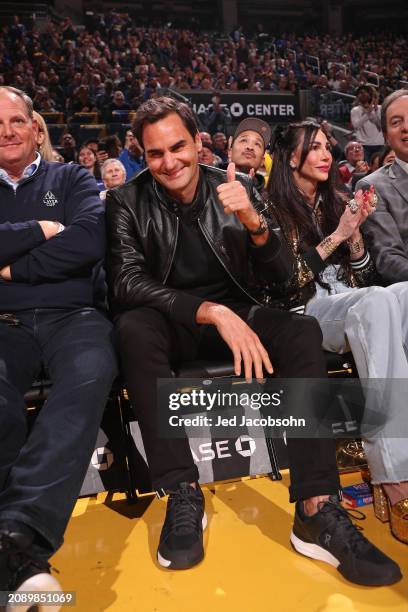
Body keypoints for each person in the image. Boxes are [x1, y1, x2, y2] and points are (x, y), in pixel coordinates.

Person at [106, 96, 400, 586]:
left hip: (242, 317)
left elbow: (290, 281)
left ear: (199, 143)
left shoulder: (242, 188)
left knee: (302, 330)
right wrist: (212, 312)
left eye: (178, 146)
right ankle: (181, 493)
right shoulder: (125, 200)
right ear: (144, 153)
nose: (169, 161)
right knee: (133, 327)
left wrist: (255, 226)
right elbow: (125, 283)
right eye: (155, 153)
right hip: (175, 323)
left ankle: (316, 509)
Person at [265, 119, 408, 545]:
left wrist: (357, 236)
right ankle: (395, 475)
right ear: (292, 157)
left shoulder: (334, 200)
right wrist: (339, 235)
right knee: (380, 302)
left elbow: (363, 282)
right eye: (316, 148)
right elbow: (289, 279)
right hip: (304, 310)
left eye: (329, 146)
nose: (328, 154)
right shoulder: (270, 205)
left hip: (348, 302)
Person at [0, 86, 117, 600]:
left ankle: (19, 525)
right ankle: (20, 550)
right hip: (4, 320)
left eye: (16, 121)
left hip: (76, 315)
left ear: (36, 128)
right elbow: (67, 241)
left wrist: (13, 266)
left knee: (90, 376)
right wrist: (41, 228)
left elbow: (90, 239)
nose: (6, 131)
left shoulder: (70, 176)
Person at [358, 89, 408, 286]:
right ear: (386, 136)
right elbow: (389, 260)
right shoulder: (372, 186)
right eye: (396, 122)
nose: (406, 127)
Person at [226, 117, 271, 193]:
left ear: (262, 161)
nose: (250, 147)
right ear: (230, 152)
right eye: (243, 140)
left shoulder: (272, 198)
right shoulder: (207, 184)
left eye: (257, 144)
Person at [350, 85, 384, 162]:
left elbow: (380, 125)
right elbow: (356, 125)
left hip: (379, 144)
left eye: (364, 93)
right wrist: (368, 112)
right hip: (363, 145)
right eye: (360, 93)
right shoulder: (355, 110)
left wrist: (374, 110)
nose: (362, 95)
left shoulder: (379, 109)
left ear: (370, 96)